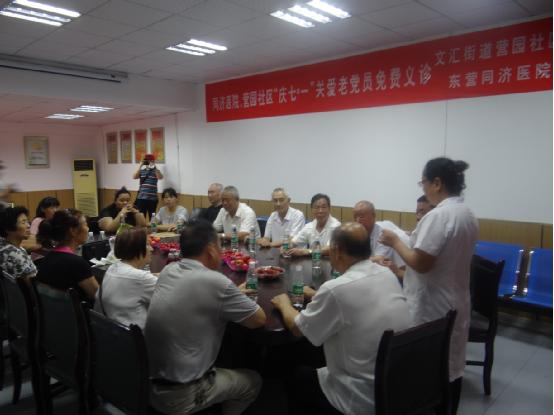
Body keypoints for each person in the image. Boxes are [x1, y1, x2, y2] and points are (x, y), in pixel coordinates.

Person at [272, 223, 412, 415]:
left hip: (358, 399)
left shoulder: (335, 289)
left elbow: (297, 329)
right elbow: (355, 300)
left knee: (297, 372)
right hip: (395, 387)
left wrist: (283, 304)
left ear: (336, 251)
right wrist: (316, 295)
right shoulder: (386, 274)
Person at [379, 157, 479, 414]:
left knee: (429, 367)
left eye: (423, 182)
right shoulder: (467, 213)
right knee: (451, 366)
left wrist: (394, 241)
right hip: (455, 300)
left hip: (433, 305)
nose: (422, 188)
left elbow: (421, 263)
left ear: (437, 183)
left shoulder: (439, 216)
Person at [145, 220, 266, 415]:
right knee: (253, 381)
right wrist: (231, 293)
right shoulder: (217, 282)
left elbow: (200, 296)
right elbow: (258, 320)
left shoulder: (169, 270)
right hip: (182, 395)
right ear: (211, 250)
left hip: (149, 385)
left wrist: (231, 294)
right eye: (219, 246)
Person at [95, 228, 157, 329]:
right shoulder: (141, 278)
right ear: (136, 248)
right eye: (147, 244)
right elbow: (170, 298)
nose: (151, 249)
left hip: (111, 331)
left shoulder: (113, 268)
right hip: (138, 335)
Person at [36, 209, 99, 303]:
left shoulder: (47, 258)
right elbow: (98, 297)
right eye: (85, 224)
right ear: (73, 231)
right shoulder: (77, 263)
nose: (88, 228)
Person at [352, 200, 406, 268]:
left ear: (373, 216)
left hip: (396, 270)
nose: (357, 221)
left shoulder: (383, 234)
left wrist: (355, 261)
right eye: (355, 217)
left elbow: (379, 259)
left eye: (361, 216)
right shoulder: (358, 233)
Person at [0, 206, 37, 278]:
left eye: (27, 221)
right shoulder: (15, 254)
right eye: (23, 222)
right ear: (9, 228)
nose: (28, 225)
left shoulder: (5, 245)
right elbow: (31, 282)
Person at [133, 153, 163, 221]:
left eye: (150, 160)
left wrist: (154, 166)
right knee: (141, 217)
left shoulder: (155, 171)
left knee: (152, 218)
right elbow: (134, 177)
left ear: (153, 161)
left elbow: (160, 177)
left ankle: (152, 227)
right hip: (141, 198)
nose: (148, 162)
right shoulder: (142, 171)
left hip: (153, 199)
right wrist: (140, 165)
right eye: (146, 160)